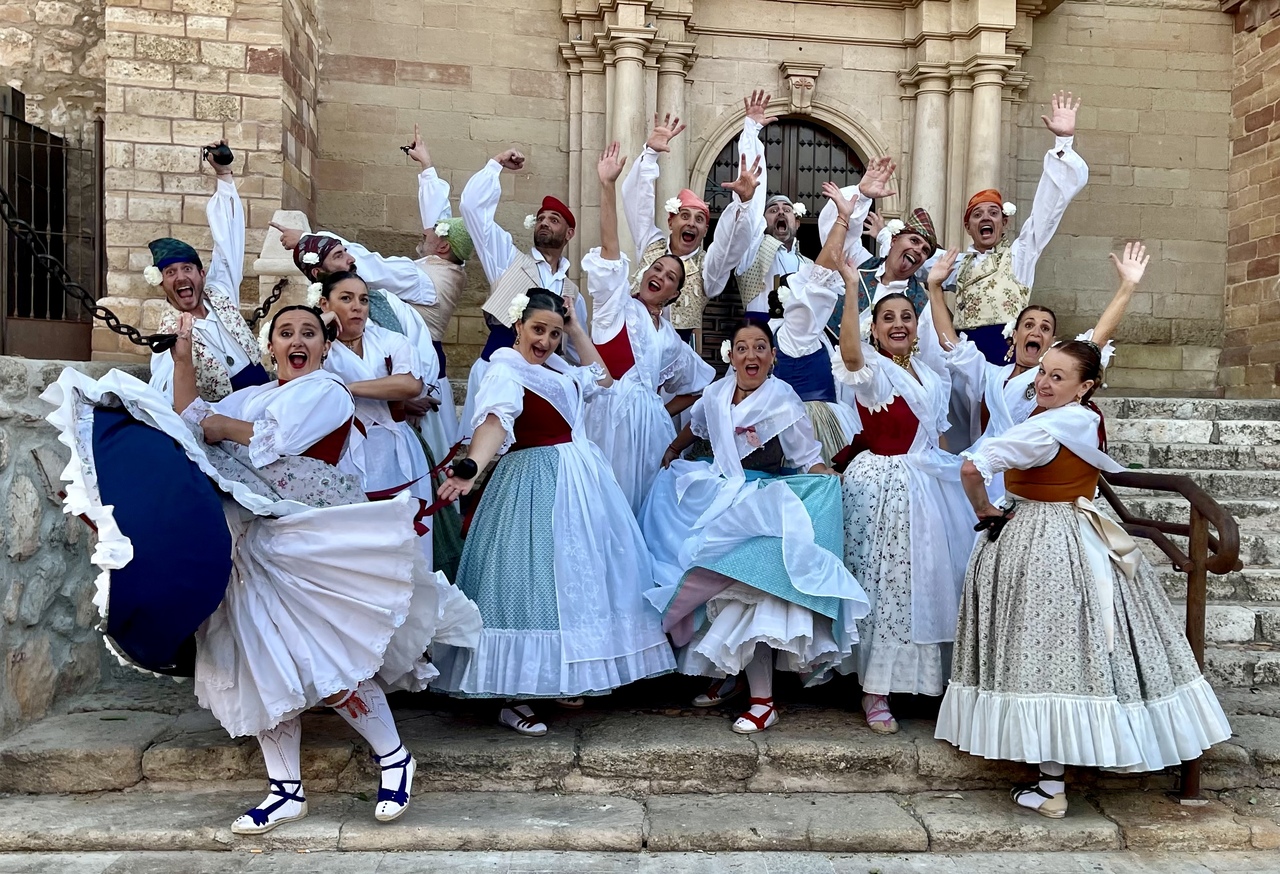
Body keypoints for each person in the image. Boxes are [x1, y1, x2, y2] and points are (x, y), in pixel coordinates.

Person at [42, 304, 481, 834]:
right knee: (259, 665)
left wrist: (214, 426)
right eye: (285, 332)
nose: (297, 340)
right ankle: (284, 790)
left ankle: (394, 759)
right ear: (270, 346)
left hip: (298, 544)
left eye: (309, 333)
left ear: (325, 346)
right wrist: (183, 363)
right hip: (244, 545)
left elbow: (269, 439)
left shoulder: (328, 391)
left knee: (325, 660)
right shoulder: (253, 395)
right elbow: (191, 419)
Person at [937, 339, 1231, 818]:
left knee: (1046, 653)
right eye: (1043, 372)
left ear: (1085, 385)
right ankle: (1103, 753)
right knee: (1078, 650)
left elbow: (972, 467)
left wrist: (984, 508)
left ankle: (1051, 786)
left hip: (1041, 541)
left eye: (1058, 376)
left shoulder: (1049, 426)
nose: (1044, 382)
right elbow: (1089, 352)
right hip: (1080, 533)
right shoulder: (1086, 417)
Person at [431, 290, 676, 735]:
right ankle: (514, 693)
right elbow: (494, 423)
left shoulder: (558, 369)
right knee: (531, 579)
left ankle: (563, 671)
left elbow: (603, 377)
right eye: (537, 330)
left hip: (580, 481)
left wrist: (577, 327)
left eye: (553, 333)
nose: (544, 340)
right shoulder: (506, 368)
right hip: (535, 480)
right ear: (518, 327)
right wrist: (471, 468)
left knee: (579, 576)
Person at [639, 318, 868, 732]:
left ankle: (764, 700)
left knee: (751, 590)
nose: (751, 355)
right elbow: (697, 424)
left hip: (762, 502)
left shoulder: (784, 401)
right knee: (707, 580)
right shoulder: (717, 394)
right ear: (732, 356)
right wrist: (673, 449)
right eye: (742, 347)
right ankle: (729, 676)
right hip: (719, 494)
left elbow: (807, 456)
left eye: (760, 347)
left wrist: (825, 475)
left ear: (772, 357)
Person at [828, 184, 973, 735]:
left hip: (923, 486)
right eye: (887, 317)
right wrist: (849, 288)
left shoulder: (930, 378)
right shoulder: (874, 374)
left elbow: (934, 437)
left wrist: (932, 289)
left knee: (925, 579)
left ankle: (920, 681)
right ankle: (875, 690)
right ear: (875, 325)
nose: (897, 324)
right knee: (885, 581)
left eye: (905, 318)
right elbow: (848, 355)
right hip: (882, 485)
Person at [926, 242, 1148, 501]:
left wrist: (1127, 287)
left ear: (1052, 340)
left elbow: (1095, 341)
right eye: (1029, 324)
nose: (1036, 331)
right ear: (1014, 334)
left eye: (1045, 328)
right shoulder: (989, 374)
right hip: (982, 470)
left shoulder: (1052, 379)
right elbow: (949, 342)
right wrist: (934, 287)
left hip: (1028, 476)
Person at [584, 142, 715, 514]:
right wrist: (607, 186)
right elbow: (610, 249)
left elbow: (699, 385)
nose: (660, 274)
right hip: (610, 419)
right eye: (656, 268)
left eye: (670, 275)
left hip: (652, 429)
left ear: (675, 293)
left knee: (644, 505)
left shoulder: (670, 339)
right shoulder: (616, 307)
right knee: (607, 502)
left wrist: (661, 410)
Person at [946, 91, 1089, 364]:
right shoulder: (956, 264)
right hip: (964, 357)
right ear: (968, 226)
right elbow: (909, 264)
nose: (985, 218)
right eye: (977, 214)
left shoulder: (1020, 255)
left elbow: (1046, 211)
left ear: (1004, 222)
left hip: (1006, 353)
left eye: (993, 213)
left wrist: (1064, 141)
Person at [456, 148, 588, 437]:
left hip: (541, 385)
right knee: (482, 452)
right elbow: (473, 211)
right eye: (541, 218)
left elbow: (578, 349)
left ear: (569, 234)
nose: (544, 223)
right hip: (496, 372)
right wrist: (496, 165)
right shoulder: (507, 259)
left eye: (554, 219)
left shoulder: (572, 293)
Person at [620, 92, 770, 343]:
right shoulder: (650, 244)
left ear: (704, 232)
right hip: (633, 341)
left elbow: (729, 246)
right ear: (670, 222)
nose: (691, 223)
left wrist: (743, 204)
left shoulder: (707, 267)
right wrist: (650, 155)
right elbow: (638, 203)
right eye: (685, 216)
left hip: (676, 351)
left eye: (699, 220)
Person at [316, 273, 435, 562]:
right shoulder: (317, 345)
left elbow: (409, 384)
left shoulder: (389, 339)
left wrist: (344, 388)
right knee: (354, 542)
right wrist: (321, 325)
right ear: (325, 303)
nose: (358, 306)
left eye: (364, 300)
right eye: (346, 298)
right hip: (342, 452)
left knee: (406, 542)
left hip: (396, 450)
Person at [148, 140, 268, 403]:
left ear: (202, 274)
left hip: (268, 396)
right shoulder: (170, 333)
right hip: (230, 415)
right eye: (170, 272)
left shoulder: (220, 292)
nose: (180, 277)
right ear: (162, 283)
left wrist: (224, 174)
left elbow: (228, 241)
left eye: (187, 269)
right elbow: (164, 387)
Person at [815, 157, 936, 340]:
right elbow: (836, 243)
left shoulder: (920, 303)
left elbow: (930, 355)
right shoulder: (861, 264)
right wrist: (861, 196)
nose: (919, 250)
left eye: (925, 250)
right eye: (914, 241)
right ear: (894, 240)